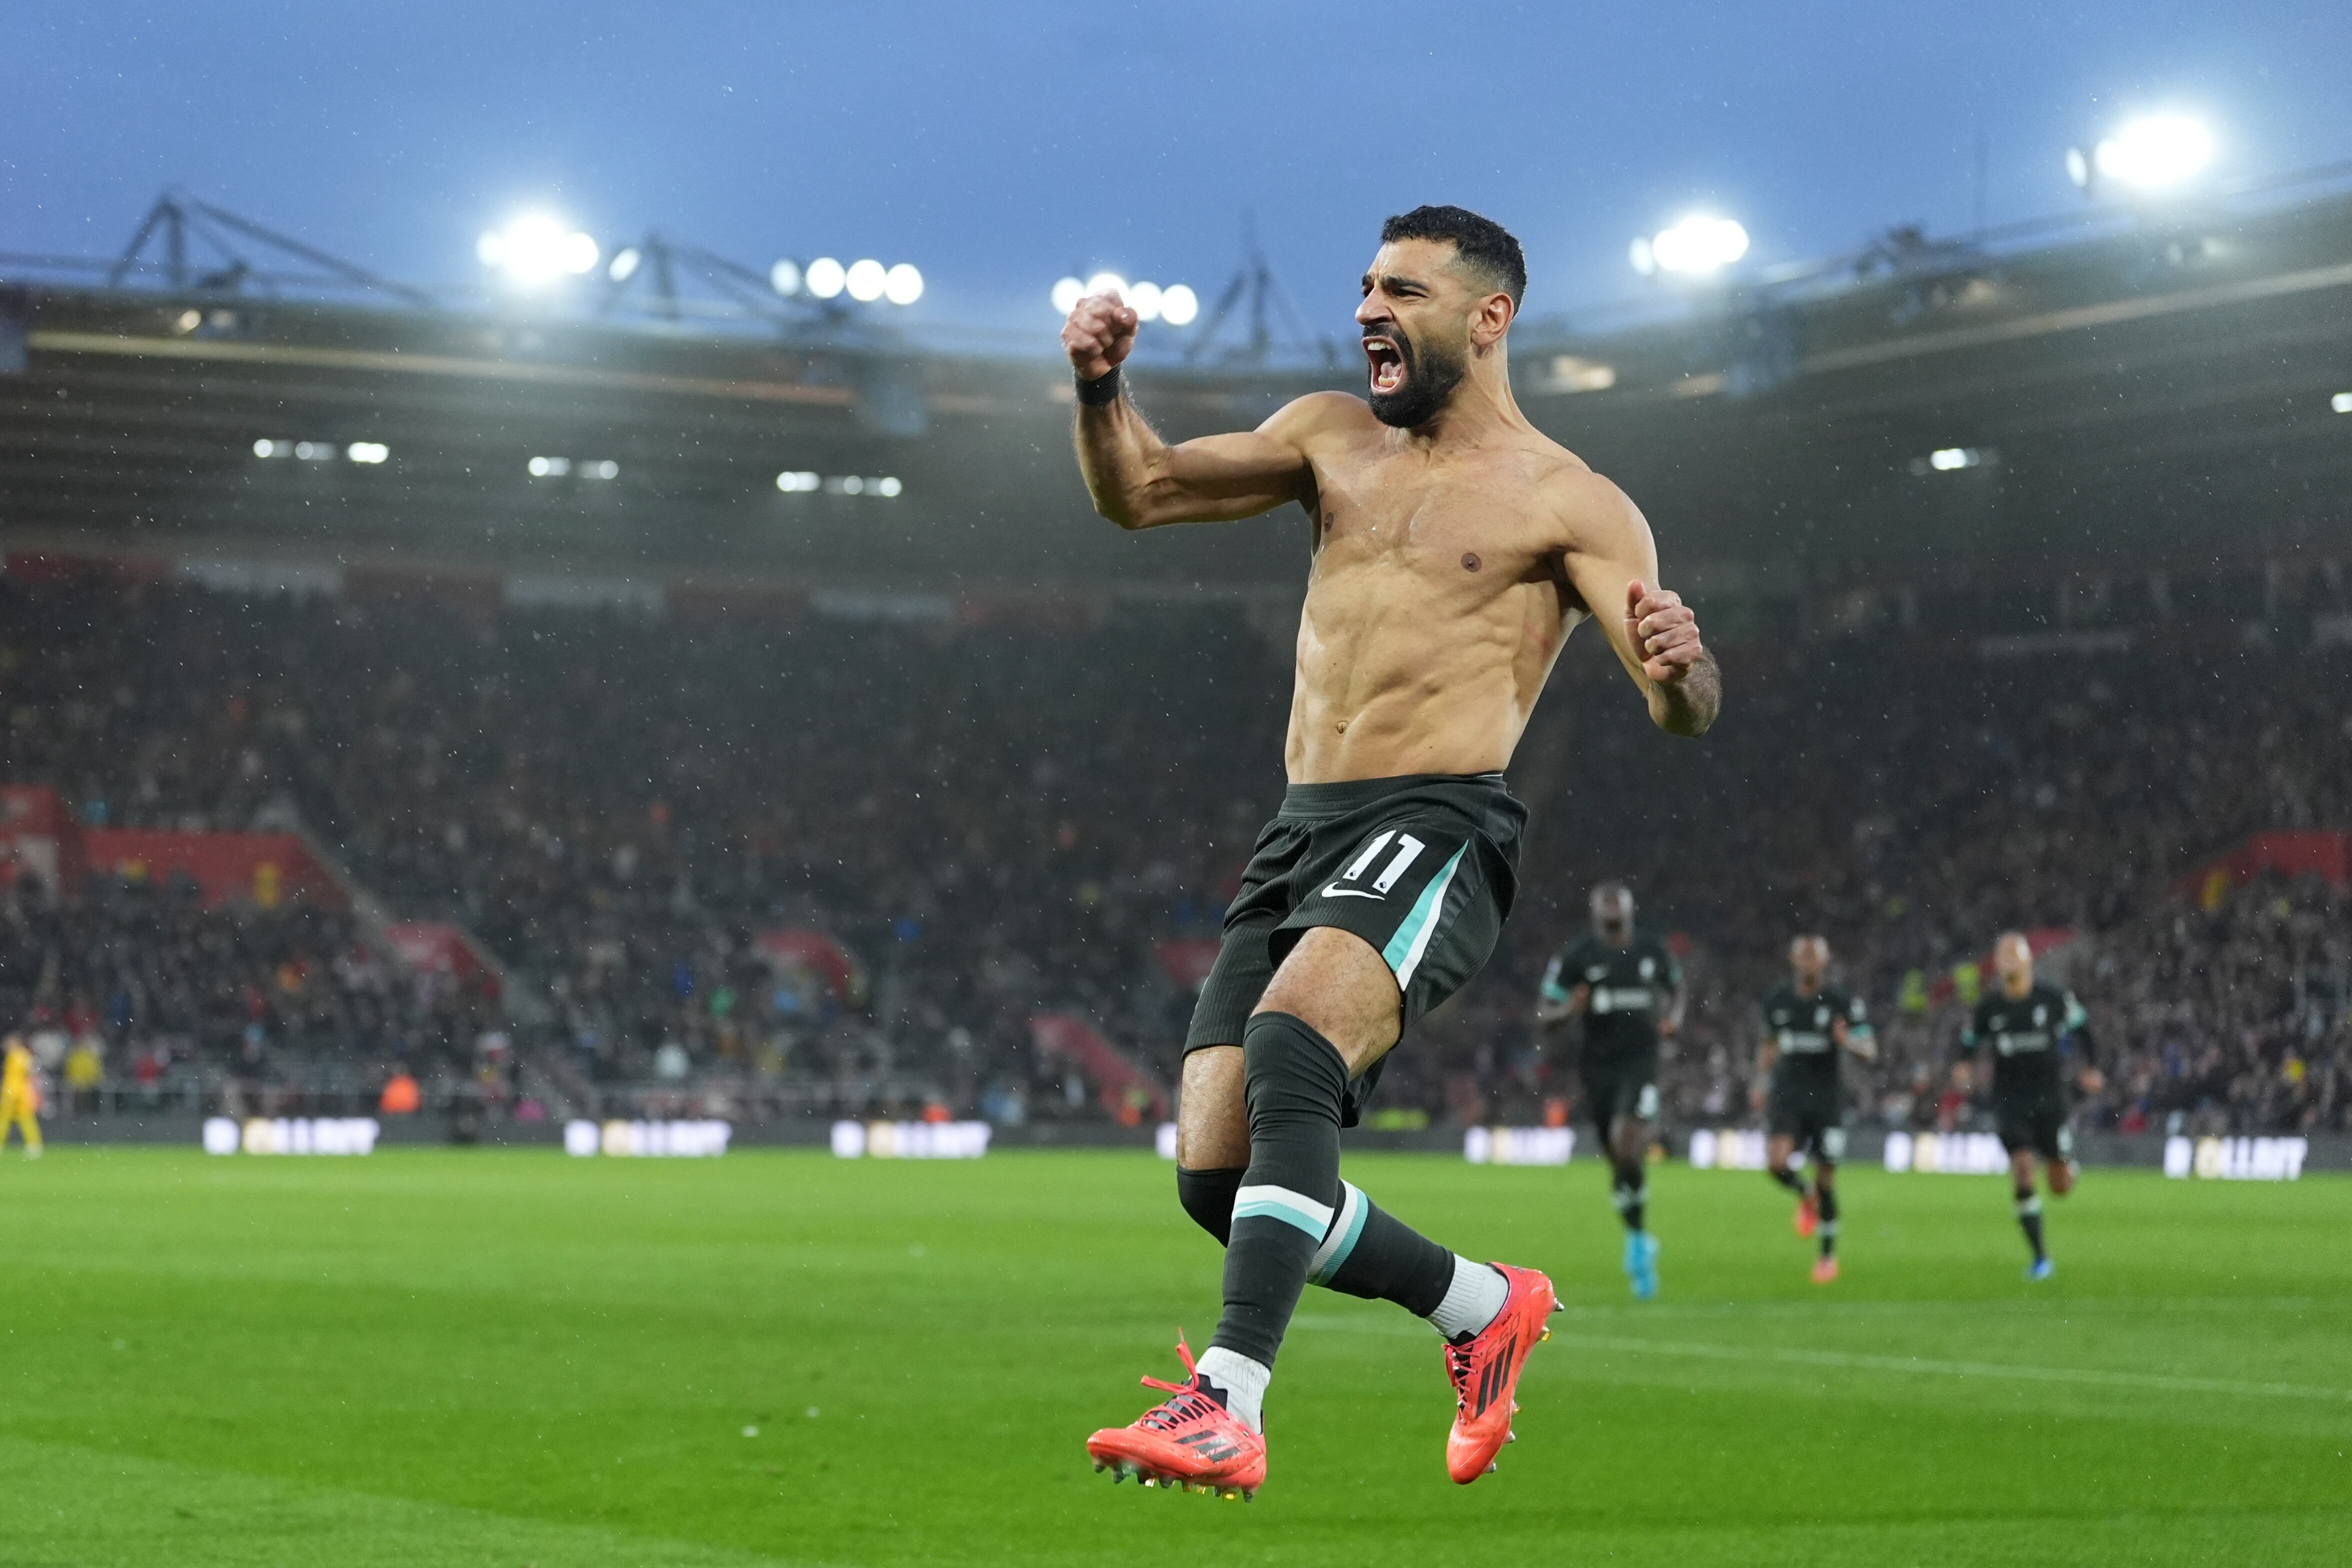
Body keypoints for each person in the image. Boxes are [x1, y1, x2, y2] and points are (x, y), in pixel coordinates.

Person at [1063, 204, 1719, 1498]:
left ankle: (1228, 1402)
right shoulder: (1327, 437)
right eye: (1366, 286)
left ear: (1489, 317)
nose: (1369, 308)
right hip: (1299, 825)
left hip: (1438, 818)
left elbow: (1679, 709)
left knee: (1294, 1042)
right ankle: (1482, 1304)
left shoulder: (1570, 500)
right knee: (1219, 1175)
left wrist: (1683, 668)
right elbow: (1139, 491)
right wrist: (1099, 388)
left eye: (1404, 290)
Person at [1536, 883, 1682, 1298]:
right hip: (1597, 1068)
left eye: (1619, 902)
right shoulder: (1577, 956)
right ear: (1595, 911)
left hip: (1641, 1063)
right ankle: (1638, 1237)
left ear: (1631, 909)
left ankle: (1637, 1240)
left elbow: (1678, 987)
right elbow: (1545, 1013)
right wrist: (1572, 1007)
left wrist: (1673, 1018)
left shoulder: (1652, 950)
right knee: (1617, 1159)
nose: (1613, 908)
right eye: (1606, 903)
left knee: (1627, 1143)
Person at [1960, 932, 2102, 1280]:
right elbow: (1971, 1041)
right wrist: (1963, 1065)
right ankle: (2040, 1257)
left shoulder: (2052, 999)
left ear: (2028, 961)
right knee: (2023, 1168)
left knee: (2059, 1187)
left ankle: (2066, 1168)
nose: (2009, 962)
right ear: (1997, 965)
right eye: (2003, 956)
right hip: (2010, 1102)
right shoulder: (1990, 1008)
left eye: (2015, 955)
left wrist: (2091, 1067)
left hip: (2050, 1100)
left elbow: (2084, 1029)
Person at [1754, 935, 1874, 1283]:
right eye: (1803, 956)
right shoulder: (1777, 1000)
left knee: (1826, 1179)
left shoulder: (1841, 1002)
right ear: (1793, 960)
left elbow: (1871, 1050)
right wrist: (1760, 1082)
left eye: (1815, 956)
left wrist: (1847, 1042)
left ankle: (1826, 1258)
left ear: (1825, 962)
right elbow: (1769, 1044)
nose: (1809, 962)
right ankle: (1804, 1194)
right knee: (1776, 1164)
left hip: (1826, 1100)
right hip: (1788, 1096)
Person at [2, 1032, 44, 1158]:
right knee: (26, 1119)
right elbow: (33, 1070)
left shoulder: (17, 1055)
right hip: (21, 1091)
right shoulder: (23, 1055)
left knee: (5, 1118)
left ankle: (2, 1144)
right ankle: (34, 1145)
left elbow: (29, 1071)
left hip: (13, 1091)